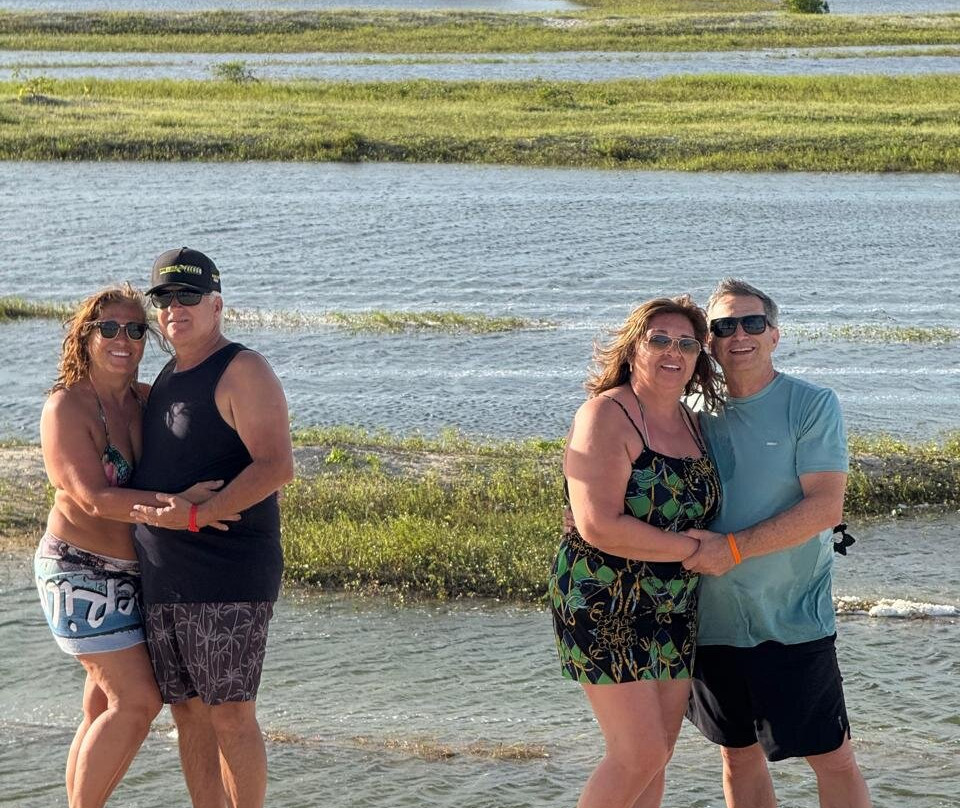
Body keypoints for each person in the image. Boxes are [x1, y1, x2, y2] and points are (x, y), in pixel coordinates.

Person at [682, 278, 872, 808]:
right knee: (737, 754)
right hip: (708, 619)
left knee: (831, 754)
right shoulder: (688, 408)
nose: (738, 334)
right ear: (710, 343)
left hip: (792, 621)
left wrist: (731, 549)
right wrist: (581, 511)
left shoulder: (811, 403)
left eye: (752, 323)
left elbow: (824, 507)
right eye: (723, 326)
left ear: (774, 335)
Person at [35, 285, 227, 808]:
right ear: (86, 336)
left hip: (136, 571)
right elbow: (95, 498)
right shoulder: (66, 408)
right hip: (77, 572)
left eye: (137, 329)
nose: (125, 339)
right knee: (137, 701)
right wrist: (180, 504)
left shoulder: (147, 400)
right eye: (111, 328)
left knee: (101, 705)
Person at [128, 247, 294, 808]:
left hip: (227, 575)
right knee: (188, 715)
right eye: (165, 298)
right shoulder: (169, 373)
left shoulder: (242, 369)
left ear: (216, 304)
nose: (175, 307)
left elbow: (276, 466)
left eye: (189, 295)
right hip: (164, 577)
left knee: (229, 712)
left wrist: (198, 514)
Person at [548, 295, 724, 808]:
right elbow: (599, 524)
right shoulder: (605, 414)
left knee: (659, 753)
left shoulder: (695, 423)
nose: (674, 351)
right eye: (660, 339)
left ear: (698, 358)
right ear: (632, 350)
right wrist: (695, 548)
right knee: (638, 753)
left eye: (687, 343)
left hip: (673, 602)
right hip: (603, 599)